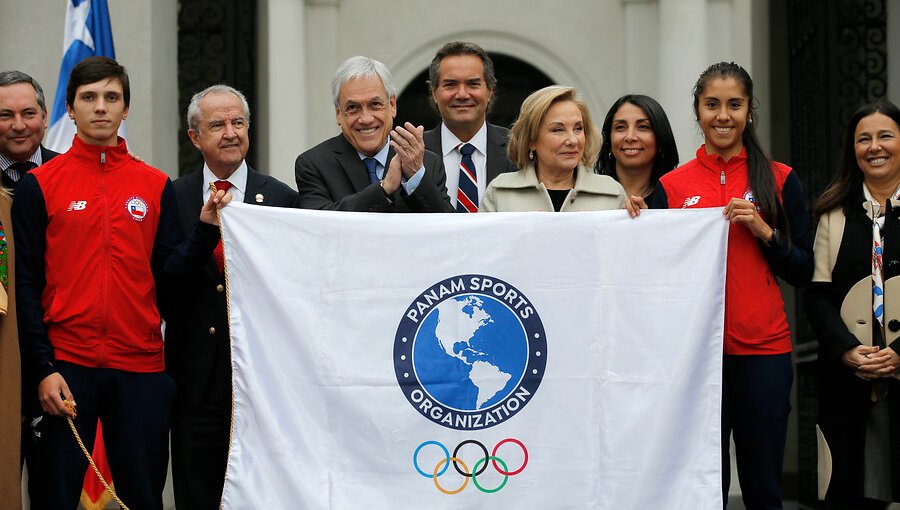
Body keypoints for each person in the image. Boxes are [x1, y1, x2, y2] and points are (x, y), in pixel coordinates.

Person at [12, 56, 228, 510]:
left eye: (112, 97)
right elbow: (27, 287)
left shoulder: (153, 185)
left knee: (144, 499)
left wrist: (206, 228)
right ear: (69, 108)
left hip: (142, 370)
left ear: (125, 108)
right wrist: (43, 369)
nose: (101, 108)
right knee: (54, 498)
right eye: (88, 98)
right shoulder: (41, 184)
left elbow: (168, 278)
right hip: (66, 368)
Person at [649, 61, 813, 509]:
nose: (723, 115)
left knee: (763, 489)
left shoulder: (780, 178)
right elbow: (652, 271)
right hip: (695, 358)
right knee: (705, 489)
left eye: (734, 105)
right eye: (712, 104)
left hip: (763, 352)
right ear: (698, 111)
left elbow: (803, 269)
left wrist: (764, 232)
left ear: (749, 111)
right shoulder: (671, 185)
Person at [167, 84, 298, 509]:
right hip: (196, 385)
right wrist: (204, 231)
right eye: (217, 124)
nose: (230, 132)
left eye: (238, 122)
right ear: (194, 137)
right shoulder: (173, 196)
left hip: (264, 382)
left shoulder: (281, 199)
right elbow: (166, 286)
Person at [806, 100, 900, 509]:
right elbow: (817, 293)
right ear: (853, 149)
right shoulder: (833, 214)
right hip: (849, 378)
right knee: (850, 491)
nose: (874, 146)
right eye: (864, 139)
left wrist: (898, 355)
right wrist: (846, 350)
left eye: (885, 136)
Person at [0, 70, 59, 508]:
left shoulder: (67, 174)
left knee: (52, 487)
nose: (18, 125)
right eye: (4, 115)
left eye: (28, 113)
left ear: (44, 116)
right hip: (1, 354)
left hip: (55, 360)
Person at [295, 56, 453, 212]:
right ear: (338, 114)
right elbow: (319, 226)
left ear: (392, 105)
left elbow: (449, 228)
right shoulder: (314, 165)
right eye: (353, 107)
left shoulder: (426, 163)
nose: (366, 119)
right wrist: (384, 189)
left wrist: (415, 177)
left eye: (375, 104)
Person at [481, 85, 625, 212]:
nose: (572, 140)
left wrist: (639, 219)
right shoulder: (500, 192)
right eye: (557, 130)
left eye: (578, 128)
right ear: (531, 140)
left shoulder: (611, 193)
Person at [422, 41, 516, 212]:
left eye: (473, 84)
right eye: (450, 84)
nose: (462, 94)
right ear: (434, 92)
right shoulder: (413, 152)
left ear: (490, 91)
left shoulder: (518, 148)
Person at [595, 94, 678, 205]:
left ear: (661, 140)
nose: (630, 137)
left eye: (643, 127)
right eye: (620, 127)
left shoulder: (676, 199)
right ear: (608, 141)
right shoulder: (587, 196)